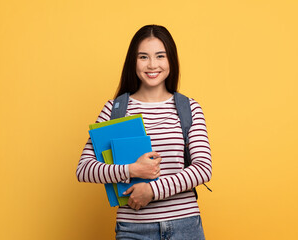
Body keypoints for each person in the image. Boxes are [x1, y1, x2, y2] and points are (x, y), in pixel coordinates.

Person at [76, 24, 212, 240]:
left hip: (185, 226)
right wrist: (132, 169)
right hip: (133, 229)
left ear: (171, 61)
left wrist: (152, 191)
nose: (152, 65)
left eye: (160, 56)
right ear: (133, 61)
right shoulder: (115, 110)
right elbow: (84, 170)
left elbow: (203, 169)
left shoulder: (188, 108)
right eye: (143, 57)